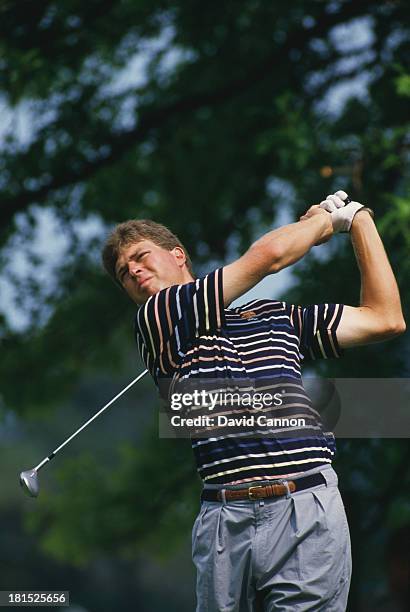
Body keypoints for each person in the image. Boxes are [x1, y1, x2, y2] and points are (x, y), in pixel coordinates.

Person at [101, 191, 405, 611]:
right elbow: (270, 256)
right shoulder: (158, 319)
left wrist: (359, 220)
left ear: (177, 255)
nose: (132, 271)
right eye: (122, 273)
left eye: (140, 256)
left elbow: (385, 318)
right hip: (225, 519)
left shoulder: (275, 316)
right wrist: (321, 223)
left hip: (307, 506)